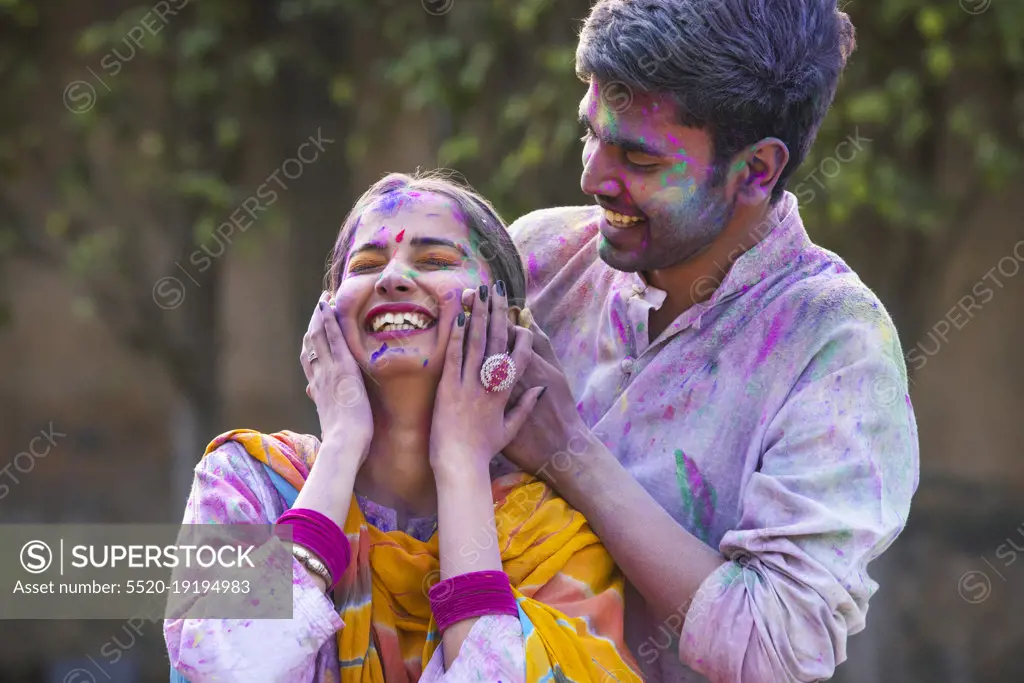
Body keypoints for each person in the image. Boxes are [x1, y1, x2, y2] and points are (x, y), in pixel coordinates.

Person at [497, 1, 920, 682]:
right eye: (591, 135)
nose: (592, 177)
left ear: (757, 170)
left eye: (636, 154)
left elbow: (776, 648)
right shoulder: (537, 262)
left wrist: (568, 452)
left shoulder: (837, 347)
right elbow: (371, 533)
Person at [163, 172, 642, 682]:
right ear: (326, 318)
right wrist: (343, 443)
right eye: (366, 265)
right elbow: (221, 671)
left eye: (435, 261)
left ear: (507, 322)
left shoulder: (552, 538)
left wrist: (461, 465)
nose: (391, 278)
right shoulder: (251, 482)